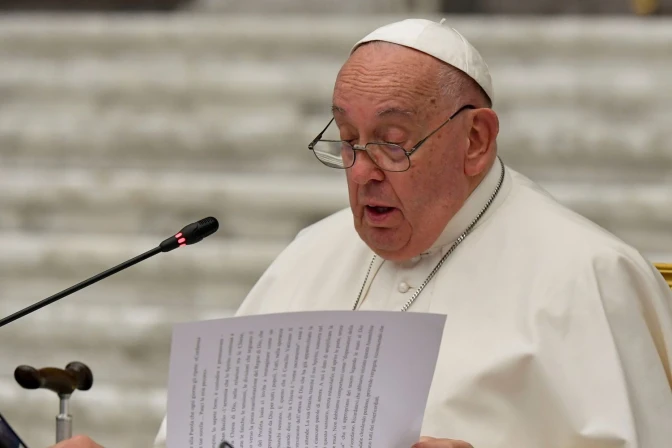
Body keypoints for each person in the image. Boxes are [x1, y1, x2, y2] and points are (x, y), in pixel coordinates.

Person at [52, 18, 672, 448]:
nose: (362, 172)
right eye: (348, 142)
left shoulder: (588, 275)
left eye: (394, 143)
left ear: (476, 140)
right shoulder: (310, 255)